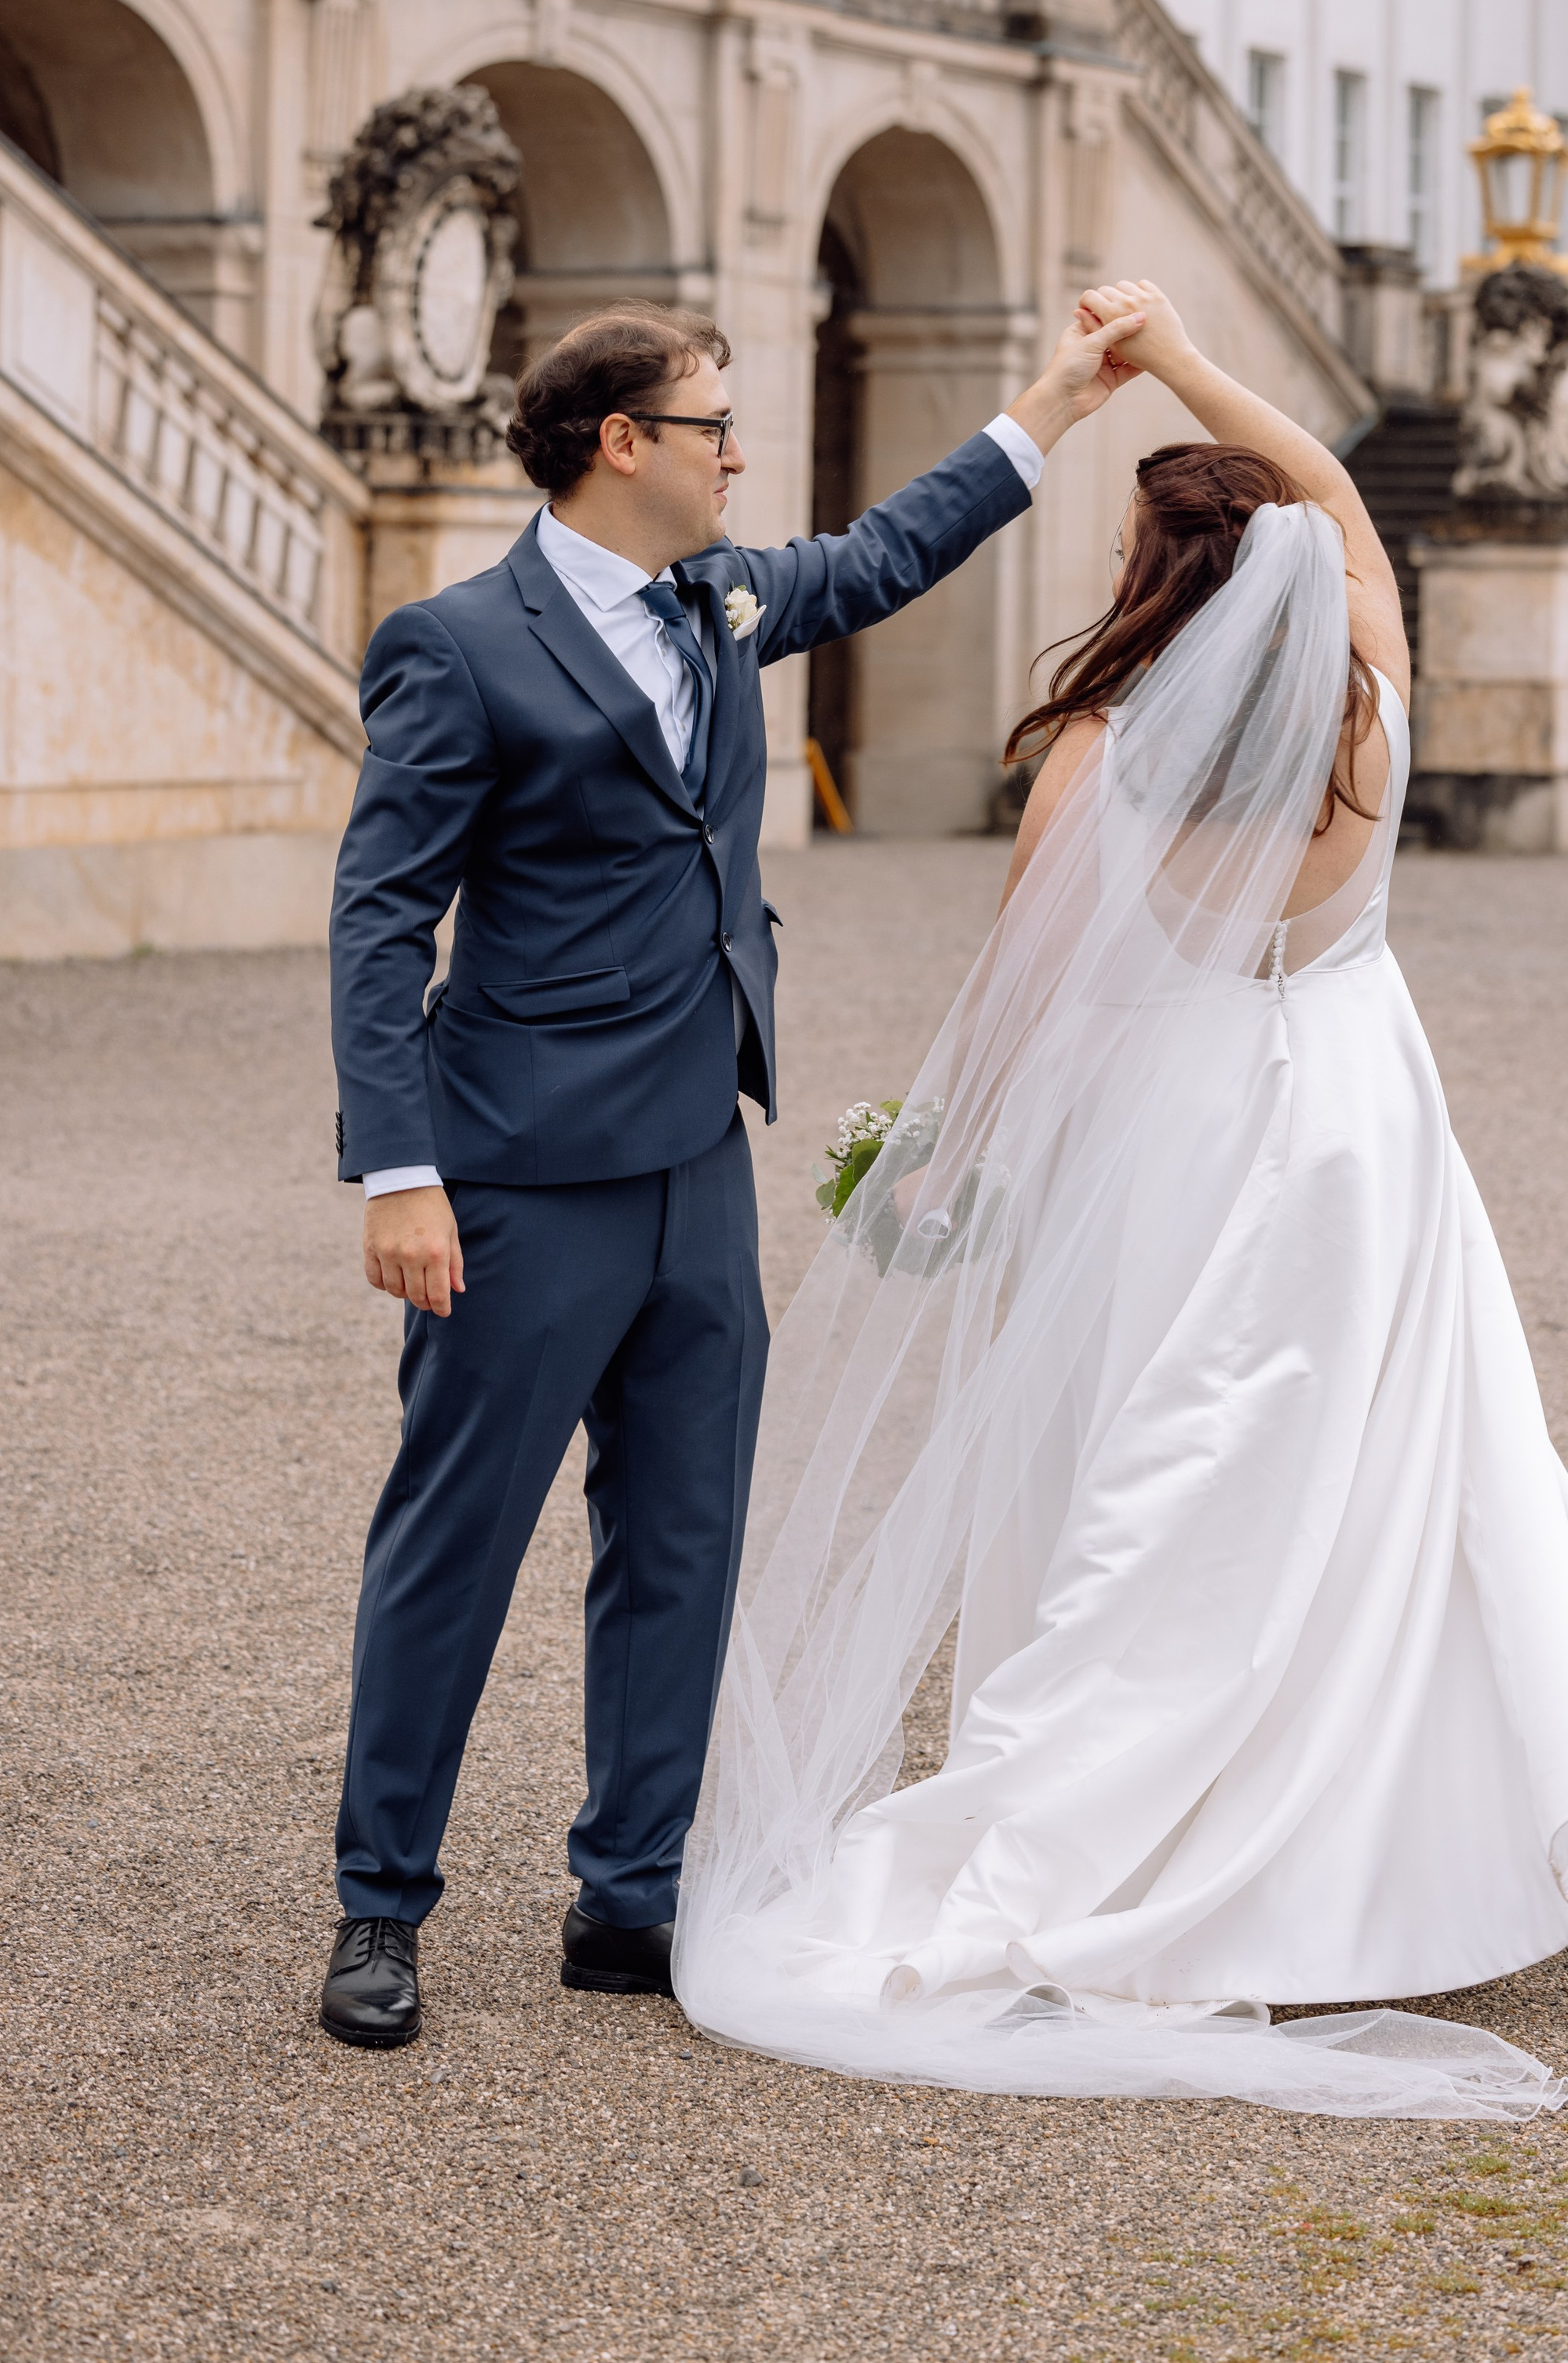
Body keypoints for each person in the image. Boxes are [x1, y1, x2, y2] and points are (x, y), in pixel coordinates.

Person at [674, 279, 1568, 2122]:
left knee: (1157, 1479)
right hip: (1357, 1123)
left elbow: (1009, 1007)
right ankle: (1369, 1842)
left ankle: (1115, 1841)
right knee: (1375, 1480)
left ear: (1158, 581)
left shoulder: (1104, 753)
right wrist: (1167, 351)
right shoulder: (1371, 693)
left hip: (1175, 1129)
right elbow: (1330, 486)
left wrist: (936, 1168)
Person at [319, 293, 1150, 2048]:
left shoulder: (723, 598)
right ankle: (379, 1906)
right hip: (519, 1175)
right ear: (621, 441)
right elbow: (377, 919)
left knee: (681, 1538)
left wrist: (1058, 400)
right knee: (452, 1544)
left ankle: (629, 1890)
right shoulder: (456, 644)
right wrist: (397, 1170)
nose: (737, 453)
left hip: (702, 1150)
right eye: (711, 424)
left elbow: (883, 552)